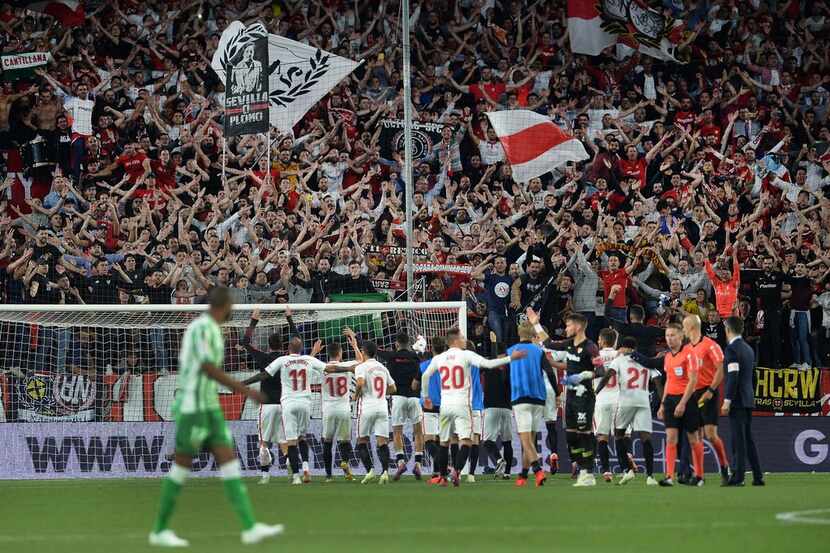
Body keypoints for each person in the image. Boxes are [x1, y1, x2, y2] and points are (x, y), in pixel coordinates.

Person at [149, 287, 283, 547]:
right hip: (193, 405)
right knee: (182, 467)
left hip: (206, 404)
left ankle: (250, 527)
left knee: (228, 460)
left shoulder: (207, 329)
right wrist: (246, 390)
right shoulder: (204, 329)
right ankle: (160, 529)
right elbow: (206, 367)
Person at [421, 328, 522, 487]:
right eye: (462, 337)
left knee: (444, 442)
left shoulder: (439, 358)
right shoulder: (466, 354)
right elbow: (489, 364)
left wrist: (426, 396)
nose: (464, 339)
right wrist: (511, 358)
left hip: (445, 406)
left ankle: (442, 477)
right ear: (455, 340)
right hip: (462, 405)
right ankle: (457, 471)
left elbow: (425, 376)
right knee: (467, 442)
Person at [528, 309, 603, 487]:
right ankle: (580, 468)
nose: (566, 328)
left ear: (577, 327)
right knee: (571, 436)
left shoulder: (591, 347)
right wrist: (535, 323)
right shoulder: (569, 344)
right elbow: (548, 343)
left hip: (584, 396)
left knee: (584, 434)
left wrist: (582, 375)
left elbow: (601, 371)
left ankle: (588, 472)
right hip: (569, 396)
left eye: (568, 325)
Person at [262, 336, 327, 485]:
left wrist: (243, 383)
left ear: (288, 348)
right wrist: (350, 367)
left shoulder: (282, 360)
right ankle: (305, 468)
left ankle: (296, 476)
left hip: (289, 403)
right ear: (301, 348)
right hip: (305, 403)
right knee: (302, 437)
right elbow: (329, 368)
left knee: (291, 442)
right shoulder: (307, 359)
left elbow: (265, 374)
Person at [599, 336, 658, 486]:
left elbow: (608, 375)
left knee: (618, 435)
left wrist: (596, 391)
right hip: (643, 402)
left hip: (626, 402)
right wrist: (662, 401)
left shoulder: (619, 360)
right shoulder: (646, 361)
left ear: (625, 348)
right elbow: (657, 380)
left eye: (622, 347)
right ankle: (650, 476)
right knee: (646, 437)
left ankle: (627, 470)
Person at [507, 323, 558, 487]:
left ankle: (537, 470)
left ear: (518, 333)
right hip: (539, 398)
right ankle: (522, 474)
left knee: (525, 438)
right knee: (531, 438)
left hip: (520, 396)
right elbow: (549, 372)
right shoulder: (539, 351)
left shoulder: (512, 350)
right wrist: (557, 392)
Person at [683, 314, 730, 485]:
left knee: (710, 435)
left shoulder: (711, 345)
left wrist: (711, 390)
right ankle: (699, 476)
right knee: (695, 436)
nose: (683, 330)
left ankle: (725, 467)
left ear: (692, 327)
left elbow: (721, 368)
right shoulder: (687, 348)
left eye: (684, 326)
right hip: (693, 394)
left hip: (707, 393)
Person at [658, 323, 704, 487]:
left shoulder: (689, 354)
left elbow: (693, 380)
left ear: (681, 336)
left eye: (672, 335)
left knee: (693, 438)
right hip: (670, 400)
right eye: (667, 336)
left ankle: (699, 476)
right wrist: (663, 404)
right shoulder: (668, 357)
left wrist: (683, 403)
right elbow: (669, 380)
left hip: (688, 399)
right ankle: (669, 476)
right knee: (671, 438)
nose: (669, 339)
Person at [721, 317, 765, 487]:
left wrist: (727, 400)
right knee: (748, 438)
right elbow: (752, 376)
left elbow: (733, 376)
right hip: (747, 398)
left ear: (728, 330)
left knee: (738, 439)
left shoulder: (732, 349)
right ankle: (758, 475)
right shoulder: (748, 348)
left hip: (737, 401)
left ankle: (738, 477)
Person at [377, 331, 425, 481]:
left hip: (397, 397)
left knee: (397, 431)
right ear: (408, 343)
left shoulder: (391, 356)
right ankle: (418, 463)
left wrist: (356, 338)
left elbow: (375, 351)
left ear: (397, 344)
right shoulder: (416, 357)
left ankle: (401, 462)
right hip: (414, 398)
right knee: (418, 432)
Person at [353, 340, 396, 485]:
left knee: (362, 440)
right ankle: (384, 472)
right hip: (382, 407)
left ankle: (370, 471)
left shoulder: (362, 367)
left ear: (364, 352)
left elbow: (359, 383)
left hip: (367, 408)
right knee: (382, 442)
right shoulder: (382, 368)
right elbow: (393, 388)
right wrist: (382, 393)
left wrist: (356, 395)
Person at [320, 338, 359, 483]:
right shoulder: (347, 365)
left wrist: (314, 352)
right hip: (344, 408)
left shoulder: (321, 366)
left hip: (328, 409)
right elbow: (361, 361)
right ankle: (344, 462)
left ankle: (329, 476)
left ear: (328, 353)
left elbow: (307, 364)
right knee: (345, 440)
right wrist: (355, 345)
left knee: (327, 442)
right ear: (340, 353)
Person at [592, 327, 620, 482]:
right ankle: (625, 469)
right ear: (615, 341)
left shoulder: (596, 357)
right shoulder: (620, 356)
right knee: (621, 435)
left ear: (602, 341)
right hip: (619, 399)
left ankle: (606, 471)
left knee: (602, 436)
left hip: (601, 399)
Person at [420, 335, 446, 480]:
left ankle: (442, 465)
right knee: (440, 440)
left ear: (431, 349)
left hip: (429, 405)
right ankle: (437, 473)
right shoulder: (450, 365)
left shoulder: (424, 365)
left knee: (429, 439)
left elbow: (415, 384)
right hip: (446, 405)